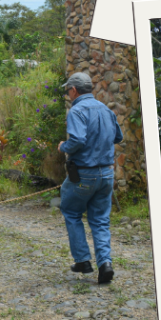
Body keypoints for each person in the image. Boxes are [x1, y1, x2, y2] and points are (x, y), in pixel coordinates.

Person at [58, 72, 123, 285]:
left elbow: (76, 139)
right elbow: (118, 137)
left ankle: (83, 261)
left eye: (68, 90)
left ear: (74, 90)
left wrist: (63, 147)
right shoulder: (106, 110)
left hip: (84, 173)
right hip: (107, 173)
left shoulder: (76, 110)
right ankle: (105, 264)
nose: (68, 94)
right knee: (100, 219)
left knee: (71, 211)